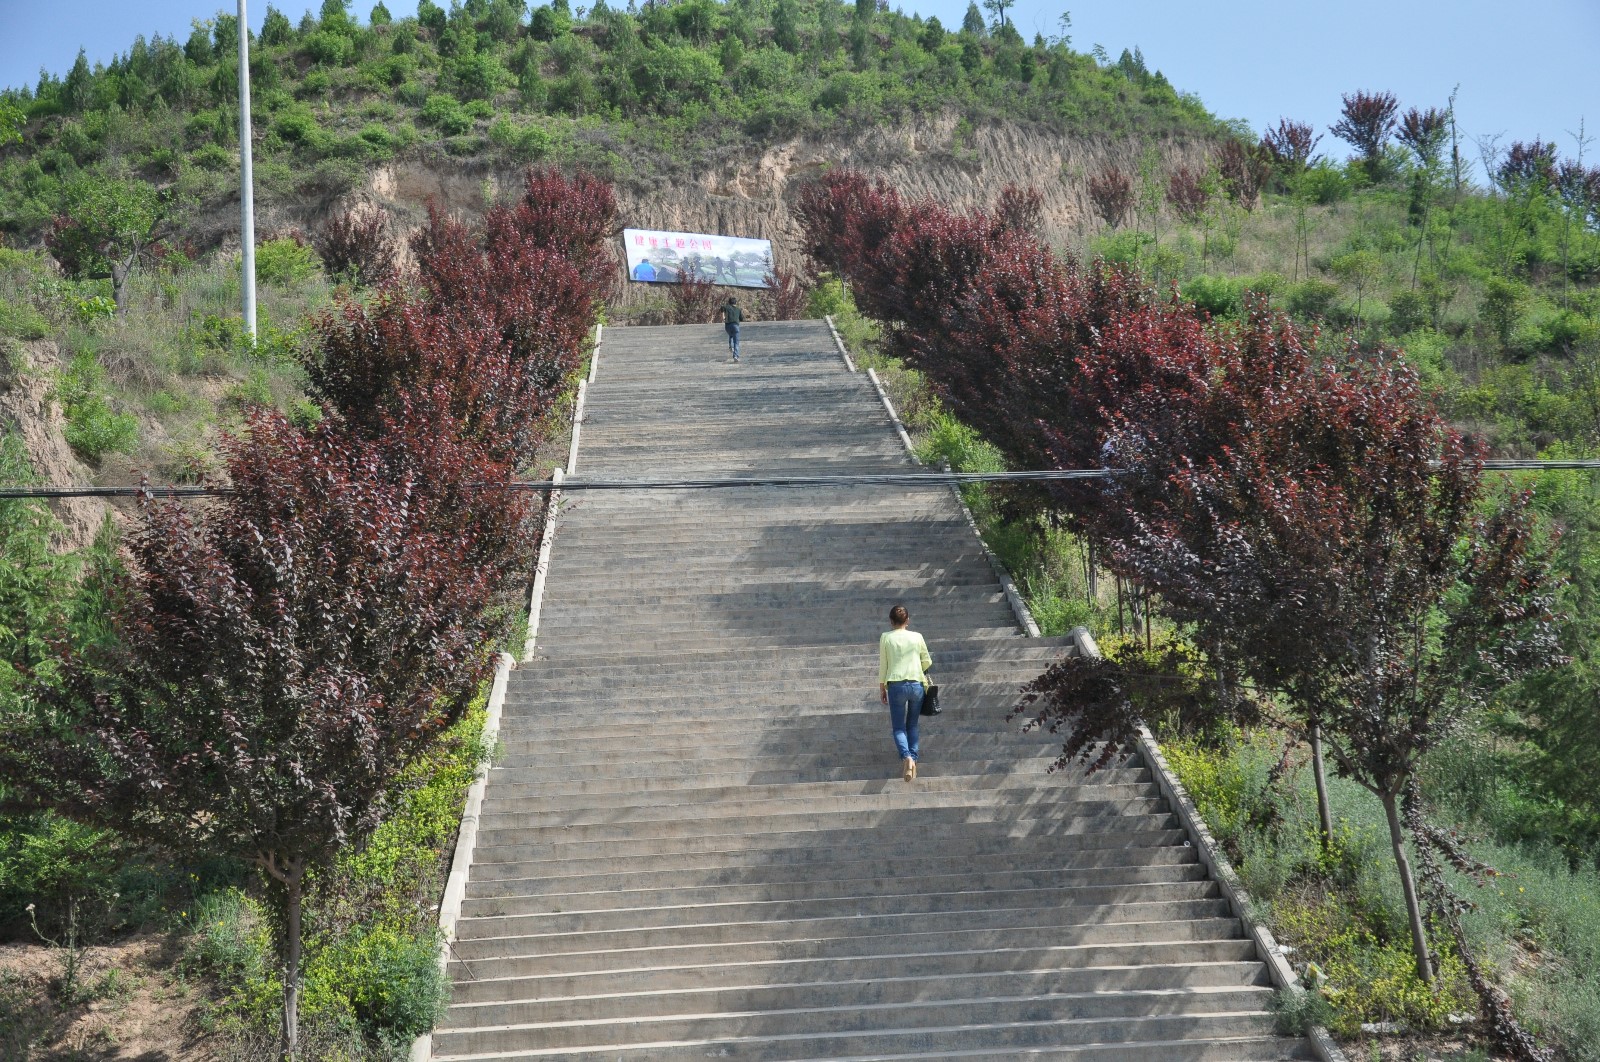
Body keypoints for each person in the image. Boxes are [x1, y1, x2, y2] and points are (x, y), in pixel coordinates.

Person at [879, 604, 932, 782]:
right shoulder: (917, 637)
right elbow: (926, 661)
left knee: (899, 727)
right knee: (913, 725)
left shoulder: (886, 637)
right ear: (907, 621)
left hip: (896, 685)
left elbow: (883, 665)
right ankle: (913, 759)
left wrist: (882, 687)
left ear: (891, 621)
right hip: (916, 684)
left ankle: (906, 756)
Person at [719, 295, 744, 362]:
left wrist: (723, 317)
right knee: (736, 341)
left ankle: (731, 346)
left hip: (727, 326)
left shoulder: (726, 307)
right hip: (735, 326)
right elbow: (741, 319)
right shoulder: (738, 309)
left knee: (731, 335)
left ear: (729, 303)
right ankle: (735, 356)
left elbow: (722, 307)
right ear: (735, 303)